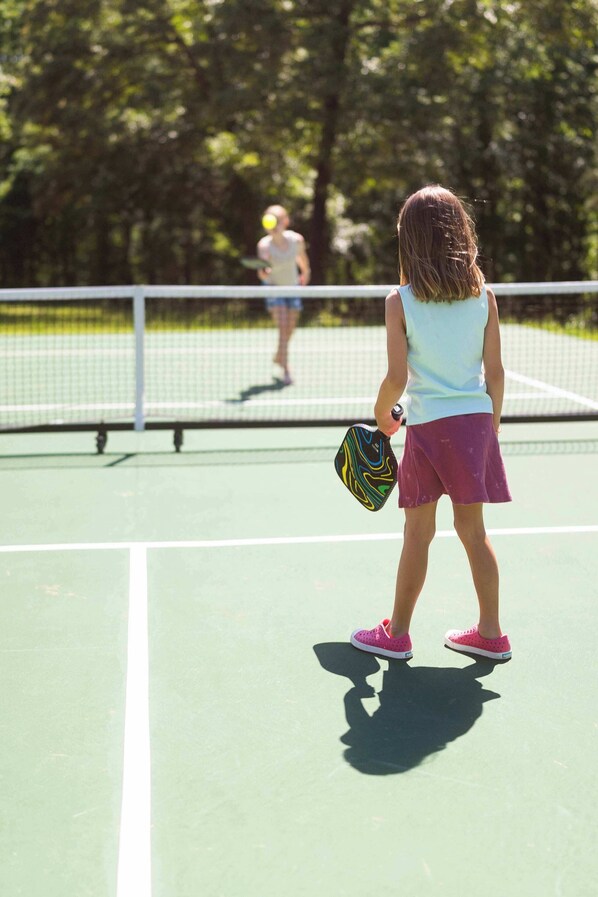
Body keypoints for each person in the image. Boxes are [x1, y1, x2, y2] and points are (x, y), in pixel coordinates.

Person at [351, 185, 512, 662]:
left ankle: (396, 634)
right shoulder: (485, 296)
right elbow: (496, 374)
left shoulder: (399, 301)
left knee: (417, 534)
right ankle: (491, 633)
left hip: (427, 431)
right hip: (476, 424)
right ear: (460, 233)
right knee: (474, 532)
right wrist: (492, 428)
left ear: (409, 240)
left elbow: (397, 378)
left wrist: (382, 414)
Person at [256, 204, 310, 385]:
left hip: (293, 287)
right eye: (270, 220)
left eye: (277, 220)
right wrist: (264, 272)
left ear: (285, 222)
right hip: (273, 289)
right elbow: (263, 268)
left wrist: (305, 273)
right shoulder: (264, 245)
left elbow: (302, 258)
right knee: (283, 326)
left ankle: (279, 355)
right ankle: (286, 369)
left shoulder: (297, 240)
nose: (273, 225)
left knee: (290, 328)